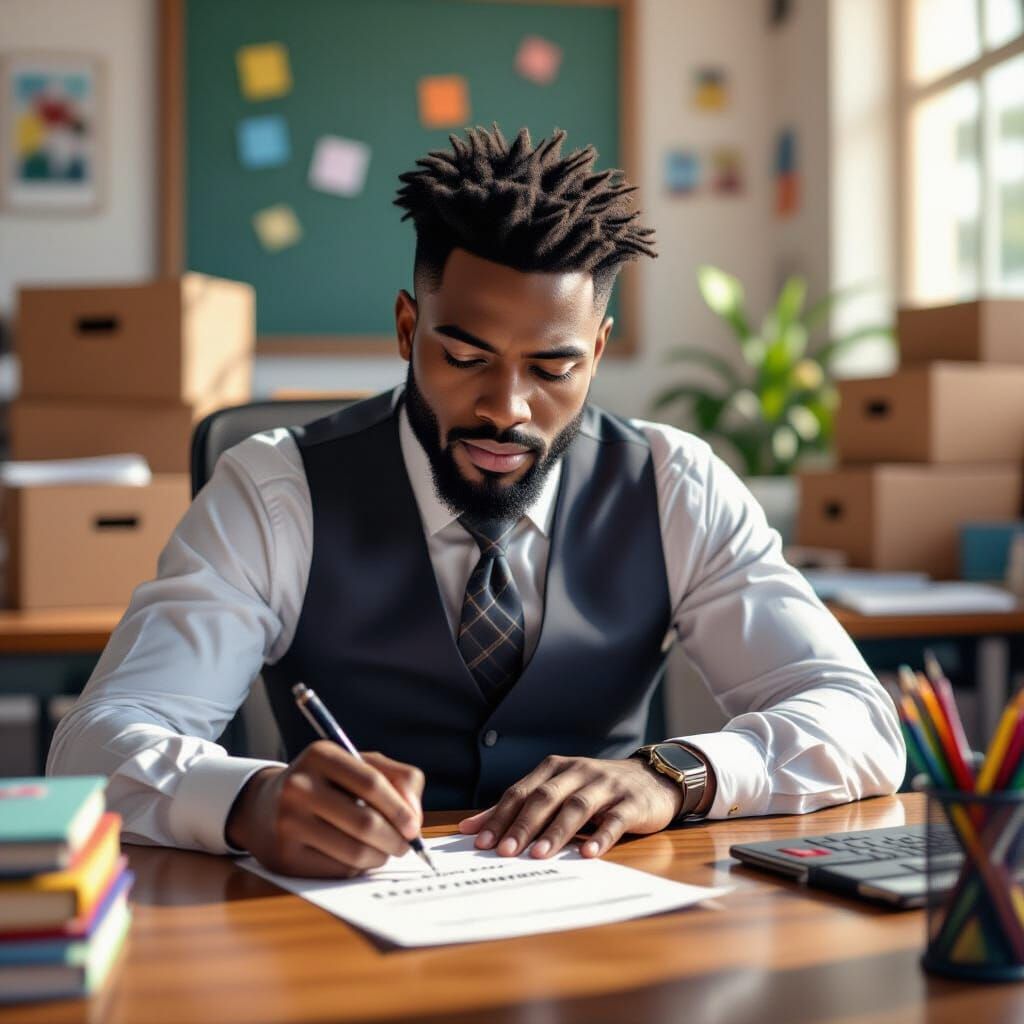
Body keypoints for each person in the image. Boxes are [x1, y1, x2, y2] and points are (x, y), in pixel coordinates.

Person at [48, 125, 904, 879]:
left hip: (611, 924)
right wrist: (252, 800)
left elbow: (860, 722)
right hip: (337, 932)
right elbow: (94, 744)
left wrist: (670, 774)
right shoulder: (275, 489)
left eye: (552, 367)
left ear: (598, 352)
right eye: (464, 356)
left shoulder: (675, 484)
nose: (507, 407)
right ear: (406, 329)